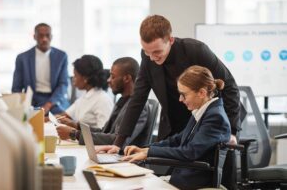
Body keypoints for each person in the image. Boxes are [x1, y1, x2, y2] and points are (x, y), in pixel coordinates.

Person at [98, 15, 244, 189]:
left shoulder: (196, 50)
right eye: (146, 52)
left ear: (171, 40)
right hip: (183, 122)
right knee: (167, 175)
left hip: (204, 120)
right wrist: (119, 144)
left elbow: (230, 87)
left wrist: (232, 131)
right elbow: (138, 98)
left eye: (157, 52)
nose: (152, 58)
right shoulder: (149, 57)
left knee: (201, 174)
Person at [121, 65, 231, 189]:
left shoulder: (215, 117)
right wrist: (145, 149)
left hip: (192, 184)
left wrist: (149, 153)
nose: (180, 99)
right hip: (181, 179)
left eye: (184, 95)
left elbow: (189, 152)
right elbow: (177, 140)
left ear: (201, 93)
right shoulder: (203, 111)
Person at [57, 57, 149, 148]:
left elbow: (118, 140)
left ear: (127, 78)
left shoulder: (138, 107)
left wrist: (74, 134)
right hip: (111, 154)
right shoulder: (122, 101)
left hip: (124, 158)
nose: (108, 80)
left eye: (113, 76)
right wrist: (76, 126)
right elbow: (104, 131)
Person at [12, 23, 69, 114]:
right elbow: (16, 88)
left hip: (54, 101)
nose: (44, 39)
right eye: (41, 36)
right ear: (34, 36)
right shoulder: (22, 58)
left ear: (51, 36)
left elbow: (63, 84)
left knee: (61, 120)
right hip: (32, 101)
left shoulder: (61, 56)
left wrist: (49, 104)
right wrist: (18, 106)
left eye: (47, 35)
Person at [54, 55, 113, 133]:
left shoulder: (102, 100)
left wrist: (74, 129)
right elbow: (64, 115)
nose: (73, 79)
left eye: (75, 75)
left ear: (86, 78)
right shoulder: (85, 96)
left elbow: (104, 133)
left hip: (94, 144)